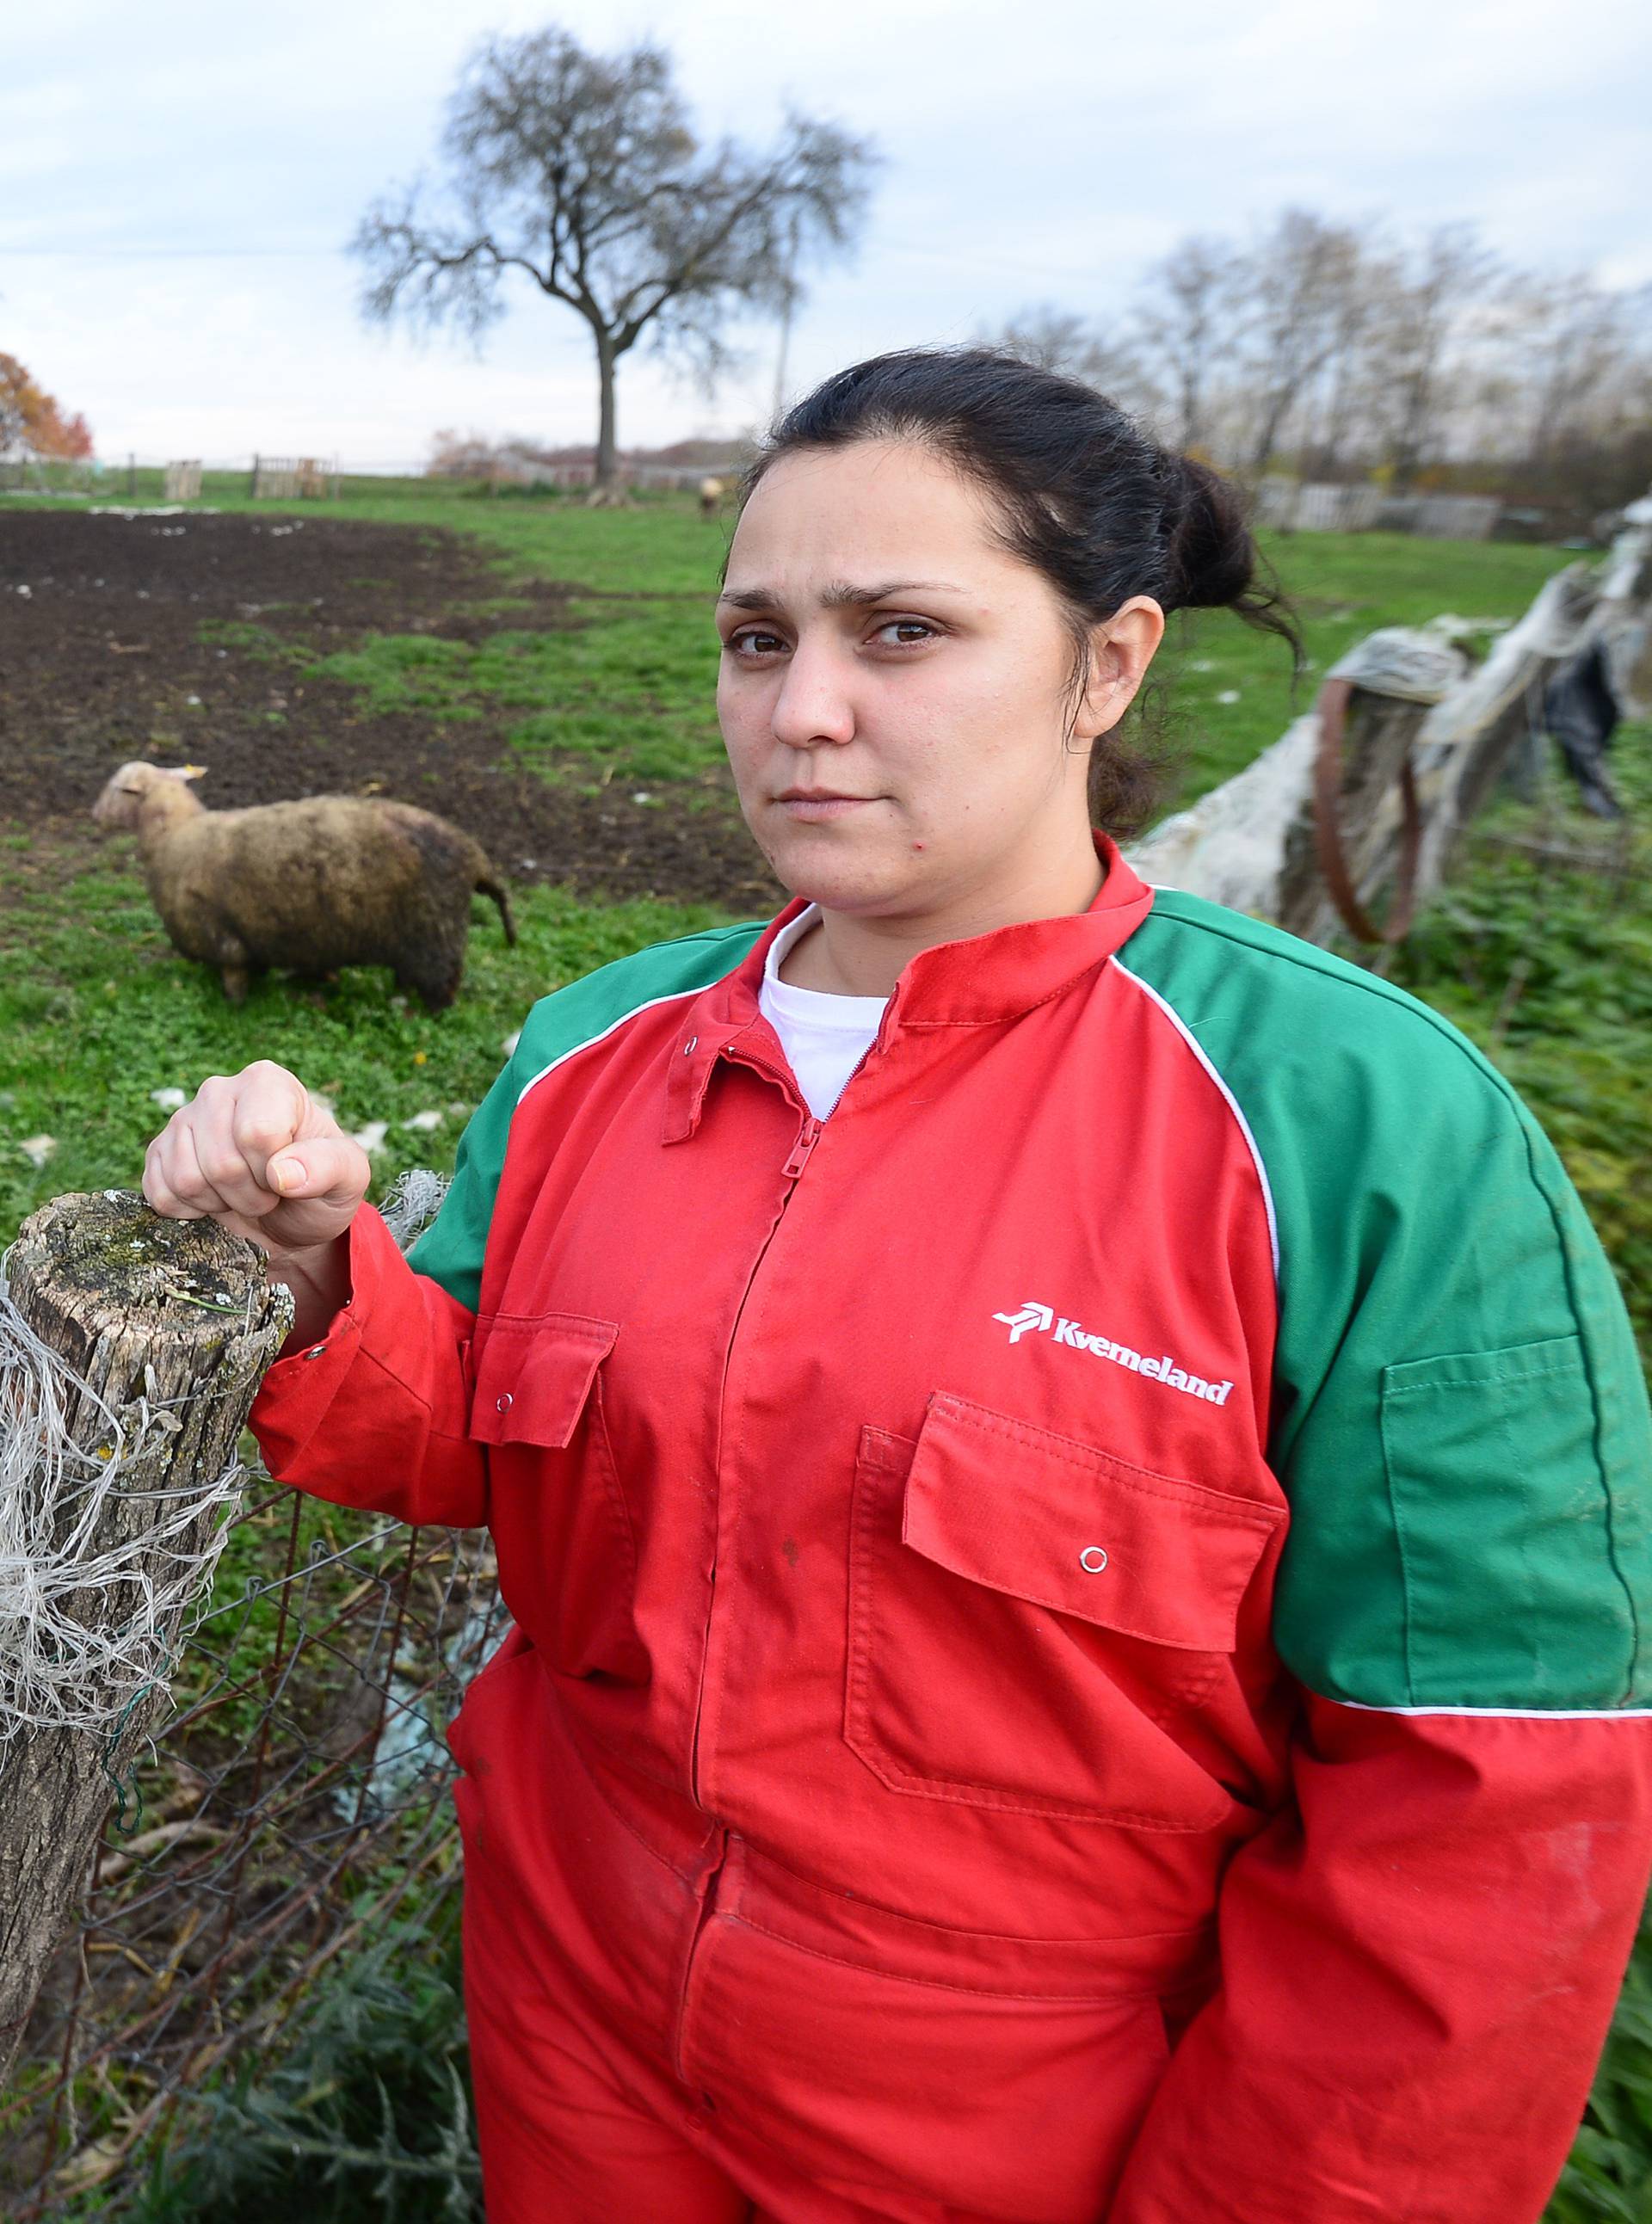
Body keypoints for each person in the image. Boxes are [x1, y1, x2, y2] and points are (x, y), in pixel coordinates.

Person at [142, 348, 1652, 2224]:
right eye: (756, 639)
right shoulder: (603, 1048)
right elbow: (469, 1420)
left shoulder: (1365, 1132)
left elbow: (1486, 1812)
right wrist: (317, 1276)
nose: (806, 712)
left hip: (1029, 2134)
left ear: (1109, 663)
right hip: (579, 2055)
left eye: (904, 632)